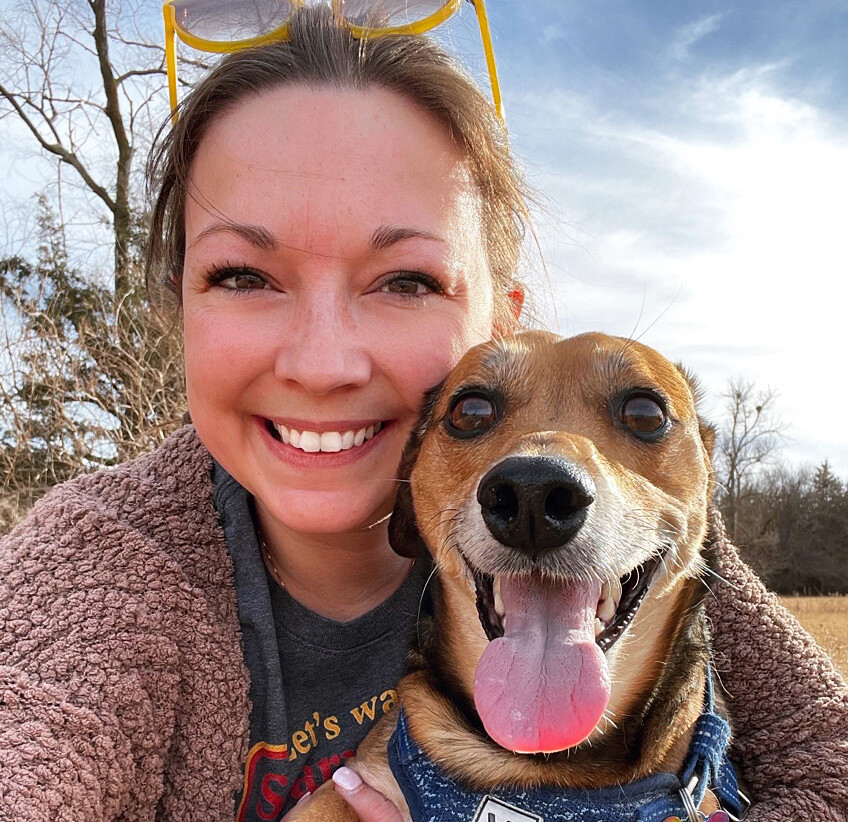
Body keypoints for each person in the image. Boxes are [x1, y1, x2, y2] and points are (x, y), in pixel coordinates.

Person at [1, 6, 846, 822]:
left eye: (407, 281)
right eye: (243, 277)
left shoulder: (665, 546)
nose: (321, 364)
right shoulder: (87, 577)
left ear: (503, 321)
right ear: (178, 303)